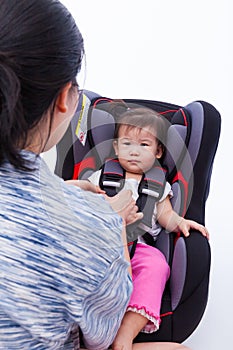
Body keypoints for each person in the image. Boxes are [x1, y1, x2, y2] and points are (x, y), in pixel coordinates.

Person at [0, 1, 141, 349]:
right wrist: (112, 226)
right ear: (65, 97)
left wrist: (61, 195)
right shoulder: (91, 232)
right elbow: (102, 335)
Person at [80, 106, 209, 350]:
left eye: (144, 145)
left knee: (157, 265)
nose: (134, 152)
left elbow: (166, 216)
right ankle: (87, 322)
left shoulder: (159, 186)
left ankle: (126, 333)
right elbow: (83, 202)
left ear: (158, 151)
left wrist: (181, 222)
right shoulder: (101, 176)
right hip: (103, 244)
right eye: (127, 144)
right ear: (116, 148)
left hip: (140, 247)